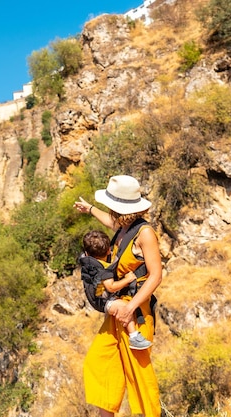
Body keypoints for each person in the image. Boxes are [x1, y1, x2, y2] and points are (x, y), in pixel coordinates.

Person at [74, 175, 162, 417]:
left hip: (135, 313)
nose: (109, 210)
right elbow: (109, 222)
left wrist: (130, 307)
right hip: (118, 311)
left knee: (139, 376)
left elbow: (155, 276)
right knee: (100, 362)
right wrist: (90, 209)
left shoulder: (144, 234)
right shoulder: (122, 228)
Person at [80, 230, 152, 350]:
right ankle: (134, 337)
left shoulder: (88, 262)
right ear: (108, 250)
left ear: (87, 253)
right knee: (125, 307)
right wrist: (127, 280)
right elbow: (111, 287)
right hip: (102, 301)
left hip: (95, 297)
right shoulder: (102, 269)